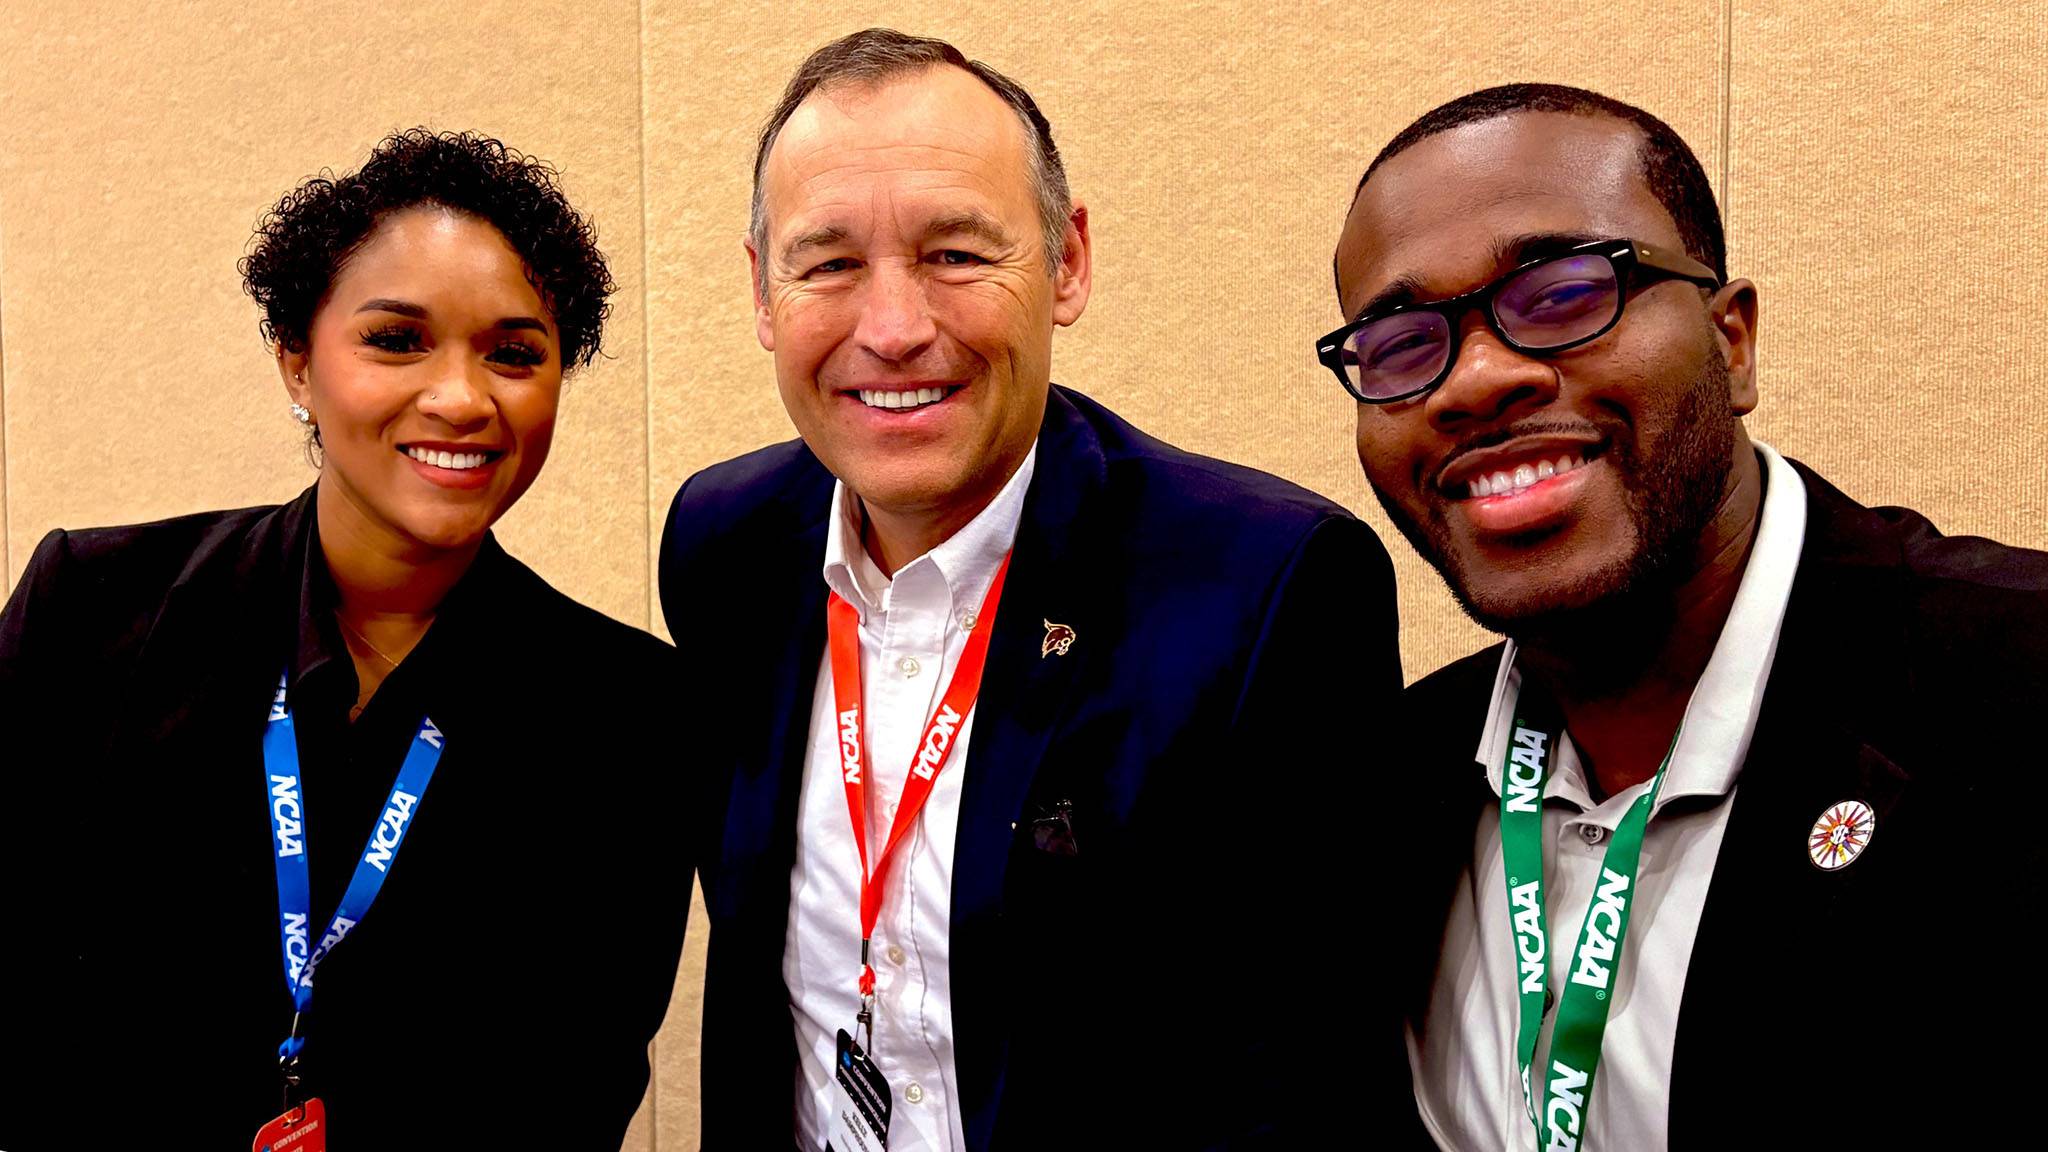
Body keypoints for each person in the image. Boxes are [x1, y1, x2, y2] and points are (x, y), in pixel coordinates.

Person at [660, 28, 1404, 1150]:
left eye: (957, 255)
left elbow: (1303, 1088)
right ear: (762, 292)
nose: (895, 328)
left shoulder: (1266, 588)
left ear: (1065, 264)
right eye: (827, 263)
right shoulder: (722, 544)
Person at [1322, 83, 2048, 1149]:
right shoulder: (1380, 792)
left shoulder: (2016, 691)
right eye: (1396, 345)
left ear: (1732, 339)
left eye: (1565, 293)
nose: (1473, 379)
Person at [0, 129, 690, 1148]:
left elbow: (572, 1092)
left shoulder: (628, 711)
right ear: (297, 361)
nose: (460, 398)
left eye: (513, 353)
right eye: (397, 341)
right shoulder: (96, 606)